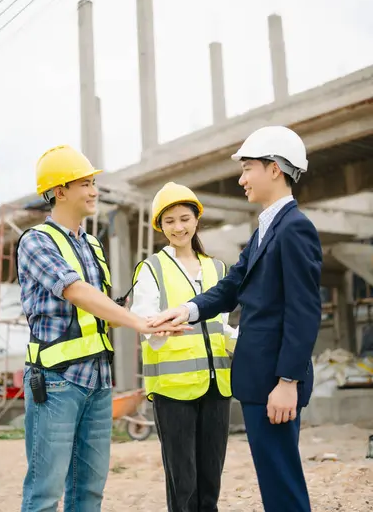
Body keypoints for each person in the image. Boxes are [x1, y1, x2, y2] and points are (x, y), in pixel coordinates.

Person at [149, 127, 323, 512]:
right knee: (274, 481)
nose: (241, 178)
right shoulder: (266, 228)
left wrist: (288, 381)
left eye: (248, 168)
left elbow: (305, 309)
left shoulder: (295, 229)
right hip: (259, 379)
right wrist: (187, 310)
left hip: (275, 382)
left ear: (274, 169)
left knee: (282, 484)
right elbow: (231, 286)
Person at [18, 145, 184, 512]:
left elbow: (105, 310)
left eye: (94, 183)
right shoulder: (36, 241)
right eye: (86, 184)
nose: (94, 191)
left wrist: (152, 317)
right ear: (59, 191)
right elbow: (77, 293)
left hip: (97, 381)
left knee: (89, 491)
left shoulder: (91, 244)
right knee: (45, 492)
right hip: (57, 382)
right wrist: (138, 321)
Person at [132, 182, 237, 512]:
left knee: (211, 479)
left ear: (196, 220)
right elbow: (142, 319)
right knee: (184, 481)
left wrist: (249, 344)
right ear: (160, 227)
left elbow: (222, 326)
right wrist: (161, 326)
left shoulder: (217, 268)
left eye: (184, 218)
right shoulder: (152, 269)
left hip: (217, 384)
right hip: (173, 390)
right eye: (170, 221)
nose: (178, 227)